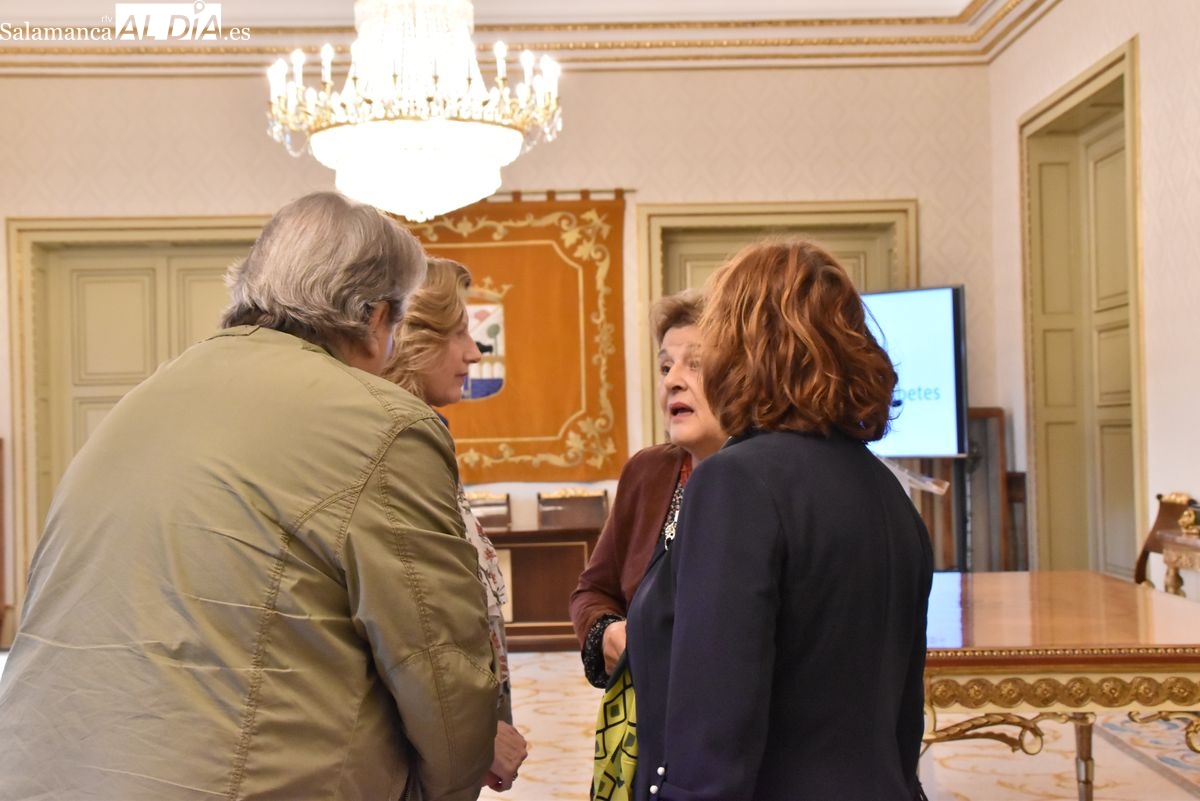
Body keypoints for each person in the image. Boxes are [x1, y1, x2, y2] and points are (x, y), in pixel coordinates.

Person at [0, 192, 500, 801]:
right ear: (375, 318)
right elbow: (439, 666)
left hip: (45, 769)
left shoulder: (144, 398)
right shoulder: (384, 422)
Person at [626, 239, 933, 801]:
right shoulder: (885, 489)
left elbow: (715, 730)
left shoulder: (735, 483)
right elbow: (901, 722)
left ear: (743, 346)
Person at [385, 257, 529, 794]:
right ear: (414, 339)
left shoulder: (421, 432)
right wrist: (474, 731)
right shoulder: (395, 445)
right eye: (459, 334)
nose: (474, 352)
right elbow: (414, 617)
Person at [570, 289, 727, 688]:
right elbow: (593, 590)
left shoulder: (771, 481)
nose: (672, 381)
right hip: (651, 709)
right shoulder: (647, 472)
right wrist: (606, 630)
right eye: (665, 366)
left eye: (695, 364)